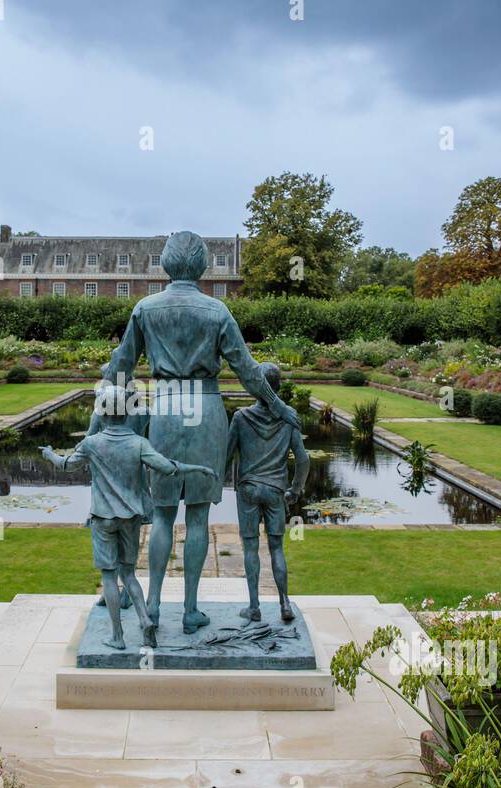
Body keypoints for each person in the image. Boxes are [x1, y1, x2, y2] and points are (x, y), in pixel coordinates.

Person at [104, 230, 299, 633]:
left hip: (167, 408)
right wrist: (279, 406)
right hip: (206, 408)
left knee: (161, 514)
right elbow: (248, 371)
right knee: (197, 516)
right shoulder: (216, 311)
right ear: (203, 265)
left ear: (165, 263)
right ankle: (190, 611)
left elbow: (120, 369)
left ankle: (154, 605)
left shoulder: (145, 308)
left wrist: (112, 418)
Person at [41, 386, 215, 650]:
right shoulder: (139, 443)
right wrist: (199, 468)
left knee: (109, 576)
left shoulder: (92, 443)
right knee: (130, 574)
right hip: (131, 518)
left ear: (102, 413)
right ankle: (145, 620)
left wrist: (49, 453)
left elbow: (66, 465)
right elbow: (169, 468)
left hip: (102, 518)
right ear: (127, 413)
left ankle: (117, 637)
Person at [224, 362, 309, 623]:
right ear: (277, 387)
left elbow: (226, 457)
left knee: (250, 547)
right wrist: (294, 491)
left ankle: (254, 607)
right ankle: (284, 603)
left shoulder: (240, 417)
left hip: (248, 489)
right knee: (277, 548)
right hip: (275, 491)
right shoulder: (288, 417)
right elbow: (303, 460)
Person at [87, 364, 150, 611]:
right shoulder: (143, 411)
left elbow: (89, 440)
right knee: (130, 539)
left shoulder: (102, 409)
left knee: (109, 545)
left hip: (107, 480)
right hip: (134, 477)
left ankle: (113, 592)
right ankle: (122, 593)